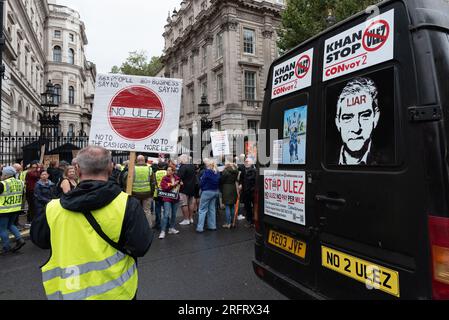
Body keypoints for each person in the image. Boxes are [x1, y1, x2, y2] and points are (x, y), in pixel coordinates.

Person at [31, 146, 152, 300]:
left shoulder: (52, 209)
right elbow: (141, 247)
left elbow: (39, 241)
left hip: (69, 292)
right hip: (117, 293)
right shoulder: (127, 205)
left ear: (77, 169)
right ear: (110, 167)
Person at [335, 77, 381, 165]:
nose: (356, 128)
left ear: (376, 118)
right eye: (347, 118)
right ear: (338, 122)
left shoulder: (386, 160)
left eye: (365, 116)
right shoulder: (327, 160)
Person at [0, 167, 26, 255]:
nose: (2, 175)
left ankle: (6, 247)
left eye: (3, 174)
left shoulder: (3, 184)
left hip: (4, 210)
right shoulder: (20, 182)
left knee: (2, 229)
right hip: (16, 209)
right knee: (10, 225)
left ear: (6, 175)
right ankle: (20, 239)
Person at [124, 155, 156, 227]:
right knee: (147, 211)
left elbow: (128, 182)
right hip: (147, 193)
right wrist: (152, 193)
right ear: (144, 160)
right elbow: (153, 182)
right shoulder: (149, 169)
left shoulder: (132, 169)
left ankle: (136, 227)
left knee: (135, 211)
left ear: (137, 160)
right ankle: (148, 227)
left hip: (135, 193)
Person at [196, 160, 220, 233]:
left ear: (208, 165)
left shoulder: (207, 172)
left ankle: (200, 227)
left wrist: (200, 186)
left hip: (207, 192)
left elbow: (202, 182)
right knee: (212, 209)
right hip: (215, 191)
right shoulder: (217, 172)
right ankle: (212, 226)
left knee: (202, 210)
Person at [159, 166, 181, 239]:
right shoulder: (164, 178)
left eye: (169, 170)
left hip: (175, 198)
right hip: (167, 198)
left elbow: (180, 188)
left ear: (173, 171)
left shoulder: (177, 178)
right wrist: (173, 184)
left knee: (174, 214)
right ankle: (163, 231)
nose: (168, 171)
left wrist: (180, 184)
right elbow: (164, 188)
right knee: (166, 214)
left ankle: (171, 228)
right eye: (167, 170)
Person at [177, 154, 196, 226]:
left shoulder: (183, 167)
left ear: (182, 160)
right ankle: (191, 218)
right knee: (191, 203)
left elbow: (178, 177)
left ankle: (186, 219)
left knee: (184, 203)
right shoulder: (192, 166)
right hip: (192, 187)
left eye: (180, 159)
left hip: (184, 188)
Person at [220, 160, 239, 229]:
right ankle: (232, 222)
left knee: (227, 206)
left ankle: (228, 223)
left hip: (226, 189)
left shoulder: (225, 171)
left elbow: (221, 180)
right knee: (232, 206)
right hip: (233, 188)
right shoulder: (236, 171)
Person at [240, 158, 256, 228]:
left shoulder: (254, 171)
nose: (246, 162)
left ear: (251, 163)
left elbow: (256, 182)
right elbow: (241, 179)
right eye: (245, 161)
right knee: (247, 208)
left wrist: (252, 189)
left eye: (247, 161)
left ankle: (255, 221)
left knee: (255, 207)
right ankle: (250, 221)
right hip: (245, 192)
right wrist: (240, 184)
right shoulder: (243, 171)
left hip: (252, 192)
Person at [25, 161, 42, 225]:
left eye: (36, 167)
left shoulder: (36, 172)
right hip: (30, 191)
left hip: (35, 190)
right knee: (31, 206)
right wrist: (38, 170)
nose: (34, 168)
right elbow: (36, 176)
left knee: (35, 206)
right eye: (33, 167)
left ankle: (33, 219)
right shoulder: (29, 173)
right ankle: (29, 220)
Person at [153, 161, 168, 231]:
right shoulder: (167, 173)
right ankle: (167, 224)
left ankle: (158, 224)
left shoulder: (155, 173)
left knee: (157, 210)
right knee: (166, 209)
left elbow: (154, 183)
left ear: (158, 167)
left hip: (157, 193)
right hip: (166, 193)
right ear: (164, 167)